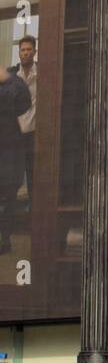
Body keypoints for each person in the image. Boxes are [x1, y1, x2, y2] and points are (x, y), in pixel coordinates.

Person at [0, 61, 32, 257]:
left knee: (8, 198)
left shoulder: (15, 83)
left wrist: (7, 79)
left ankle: (5, 240)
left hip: (9, 149)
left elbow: (23, 103)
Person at [14, 35, 35, 206]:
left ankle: (33, 216)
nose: (26, 53)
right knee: (13, 177)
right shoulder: (12, 75)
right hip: (15, 135)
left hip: (35, 134)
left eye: (29, 49)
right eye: (23, 50)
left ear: (35, 51)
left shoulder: (43, 74)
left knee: (34, 176)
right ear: (19, 53)